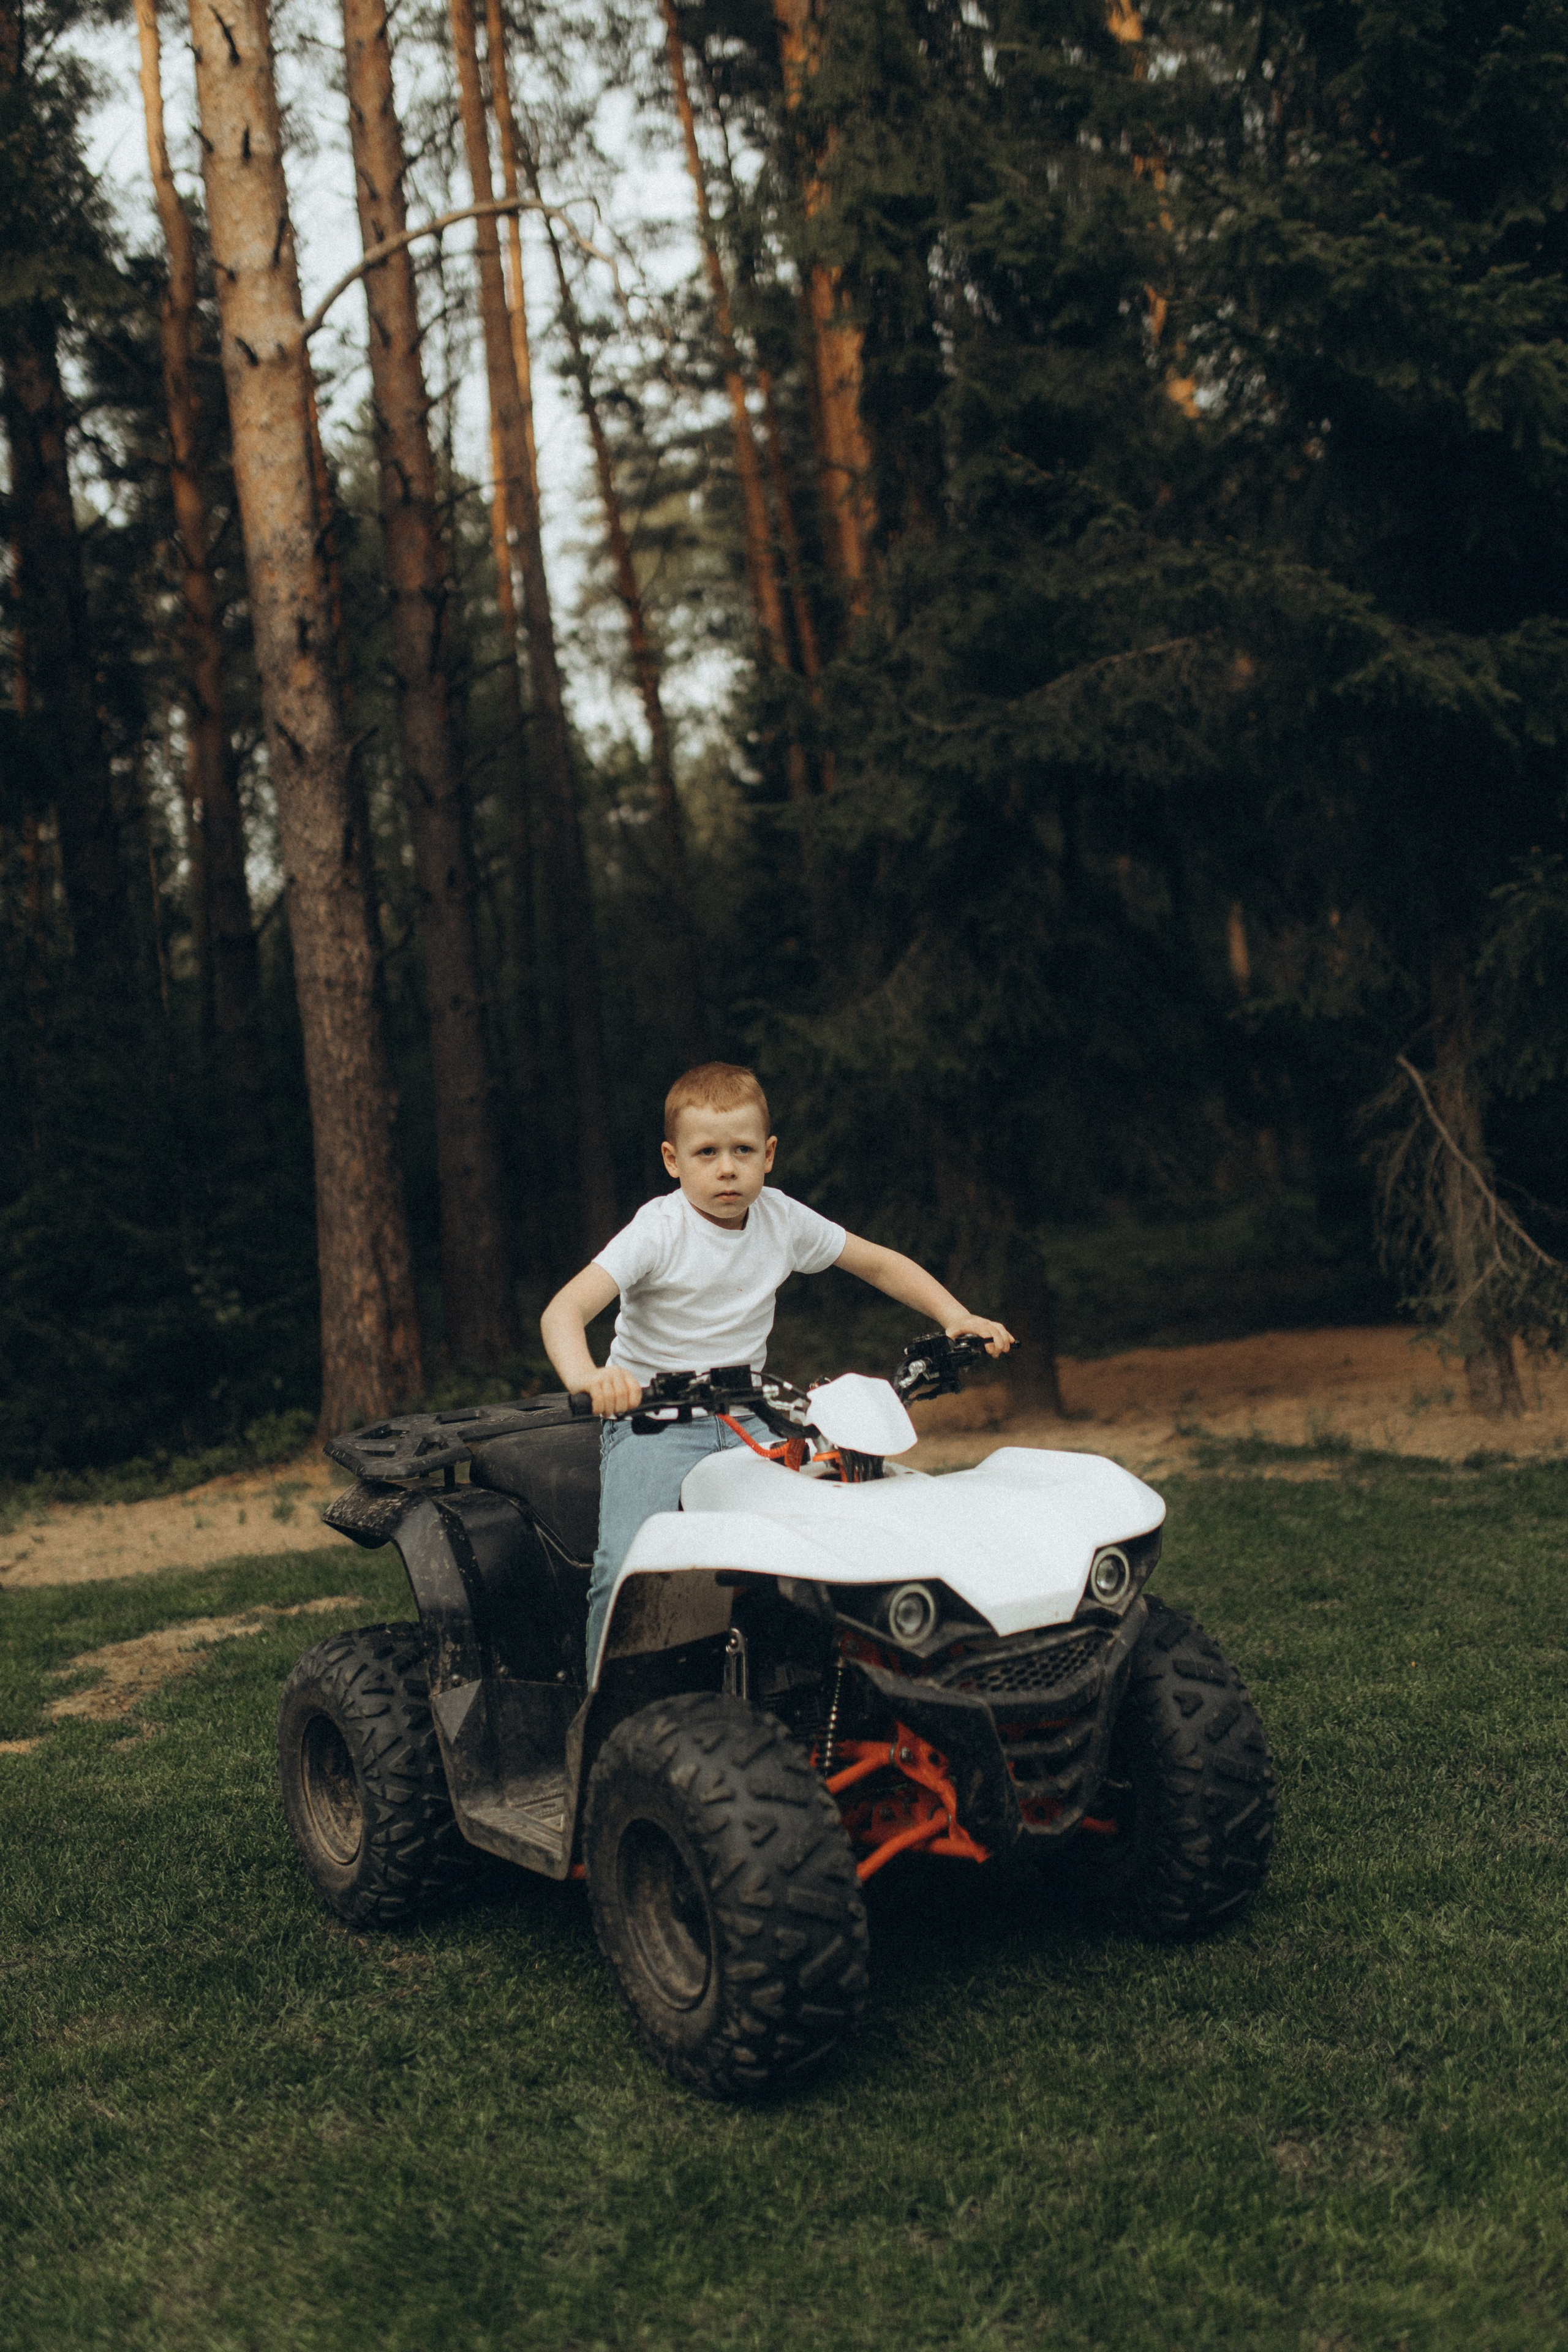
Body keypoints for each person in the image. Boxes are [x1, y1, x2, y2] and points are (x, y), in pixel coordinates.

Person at [540, 1061, 1015, 1677]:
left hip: (753, 1418)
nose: (726, 1168)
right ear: (672, 1160)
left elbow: (876, 1263)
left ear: (768, 1155)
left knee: (824, 1533)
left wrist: (956, 1316)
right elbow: (565, 1310)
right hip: (652, 1422)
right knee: (629, 1564)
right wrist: (588, 1377)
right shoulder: (658, 1230)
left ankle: (824, 1683)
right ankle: (606, 1707)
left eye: (742, 1150)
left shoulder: (781, 1218)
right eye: (706, 1152)